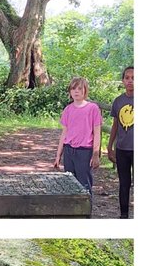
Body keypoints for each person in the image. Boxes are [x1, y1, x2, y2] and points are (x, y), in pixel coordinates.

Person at [54, 76, 102, 199]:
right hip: (69, 150)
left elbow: (97, 132)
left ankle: (86, 213)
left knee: (84, 184)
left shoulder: (93, 108)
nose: (76, 91)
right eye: (73, 88)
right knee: (69, 182)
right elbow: (64, 134)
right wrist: (59, 154)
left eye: (80, 89)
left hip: (84, 151)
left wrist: (95, 153)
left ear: (85, 91)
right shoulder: (68, 110)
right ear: (70, 91)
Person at [107, 66, 134, 219]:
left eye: (134, 78)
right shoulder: (118, 101)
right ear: (123, 80)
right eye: (127, 78)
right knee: (124, 184)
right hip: (122, 149)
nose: (130, 81)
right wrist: (110, 147)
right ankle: (124, 216)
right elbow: (115, 125)